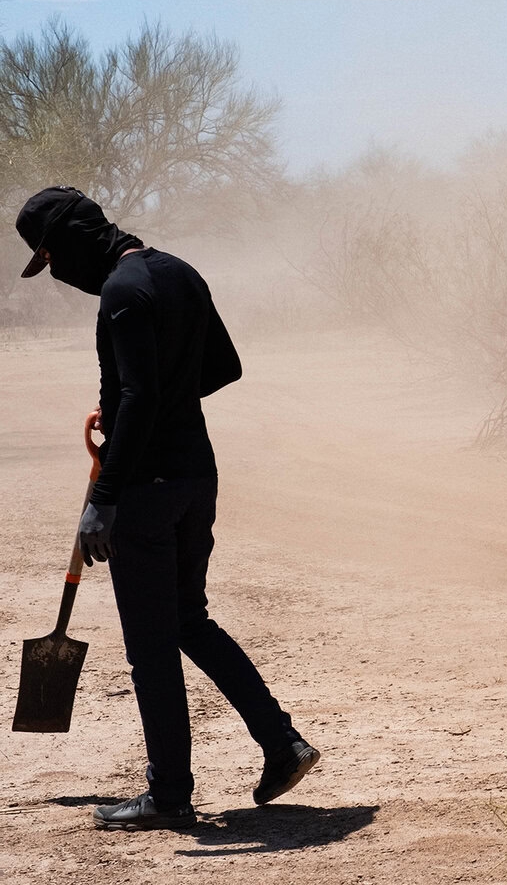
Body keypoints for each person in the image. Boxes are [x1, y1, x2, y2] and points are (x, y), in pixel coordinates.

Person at [14, 186, 319, 831]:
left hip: (148, 492)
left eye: (50, 258)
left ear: (69, 241)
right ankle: (281, 742)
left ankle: (169, 793)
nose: (59, 276)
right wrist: (138, 408)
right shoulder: (178, 271)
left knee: (151, 644)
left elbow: (143, 393)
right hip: (195, 474)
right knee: (187, 618)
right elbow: (221, 367)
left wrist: (104, 496)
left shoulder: (122, 294)